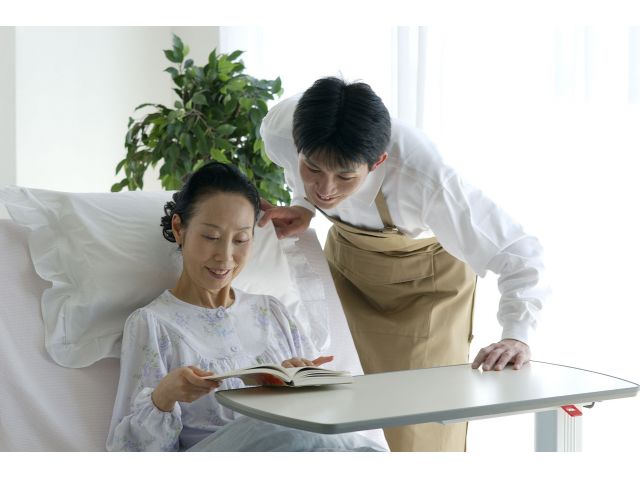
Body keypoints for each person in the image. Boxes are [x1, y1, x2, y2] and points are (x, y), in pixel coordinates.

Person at [258, 76, 547, 452]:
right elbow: (309, 180)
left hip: (427, 286)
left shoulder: (424, 177)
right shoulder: (279, 131)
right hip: (349, 271)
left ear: (378, 161)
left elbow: (519, 251)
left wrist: (516, 334)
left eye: (345, 176)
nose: (326, 189)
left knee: (420, 421)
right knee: (342, 409)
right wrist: (304, 206)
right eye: (312, 170)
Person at [106, 162, 386, 452]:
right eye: (211, 237)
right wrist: (163, 397)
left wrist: (307, 386)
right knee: (285, 428)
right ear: (179, 228)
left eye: (241, 240)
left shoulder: (272, 312)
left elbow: (329, 420)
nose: (225, 256)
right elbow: (130, 453)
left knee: (350, 444)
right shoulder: (153, 323)